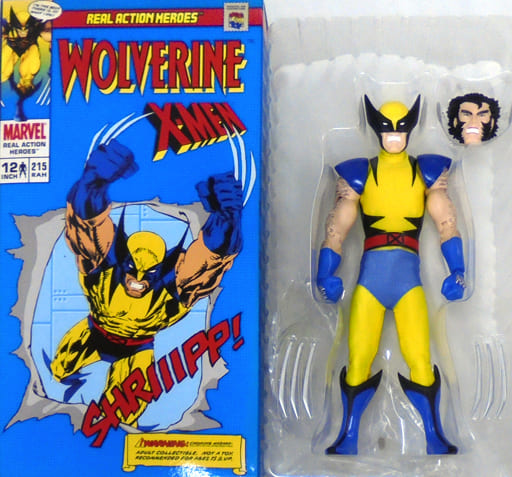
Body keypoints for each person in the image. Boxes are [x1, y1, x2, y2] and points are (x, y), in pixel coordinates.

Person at [50, 139, 243, 426]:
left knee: (124, 416)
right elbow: (85, 228)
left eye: (148, 273)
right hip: (92, 334)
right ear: (123, 262)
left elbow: (209, 262)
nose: (139, 279)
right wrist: (91, 185)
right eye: (133, 269)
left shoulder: (173, 288)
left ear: (160, 271)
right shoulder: (104, 270)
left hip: (136, 350)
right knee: (57, 371)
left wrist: (226, 221)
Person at [317, 95, 465, 455]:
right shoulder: (360, 172)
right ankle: (347, 437)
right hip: (370, 281)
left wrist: (459, 270)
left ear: (411, 128)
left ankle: (434, 437)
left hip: (407, 282)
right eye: (387, 127)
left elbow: (447, 223)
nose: (395, 134)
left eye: (401, 127)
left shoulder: (426, 171)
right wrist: (324, 274)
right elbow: (336, 228)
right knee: (358, 359)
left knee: (420, 359)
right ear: (376, 128)